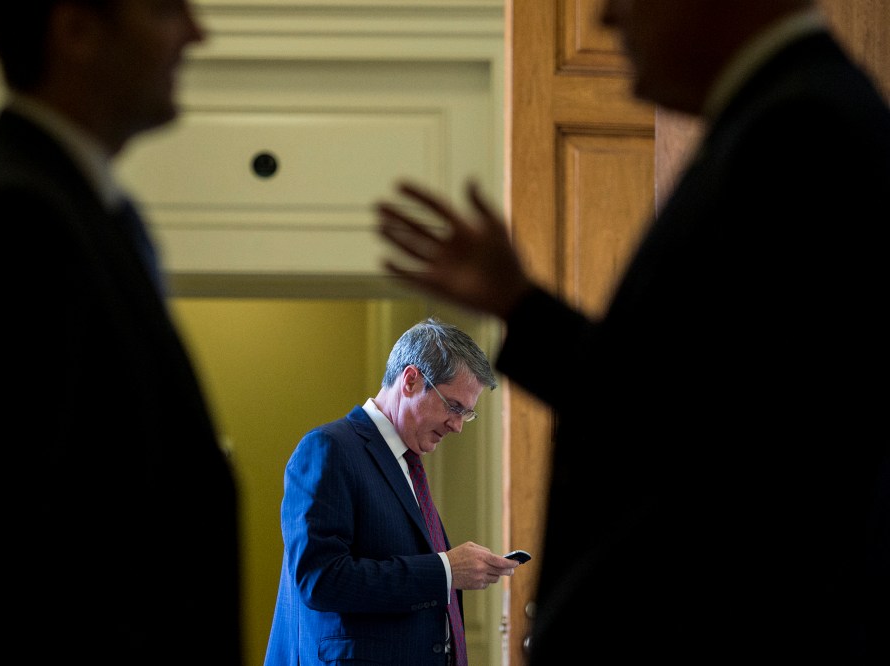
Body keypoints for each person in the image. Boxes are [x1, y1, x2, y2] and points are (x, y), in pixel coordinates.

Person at [376, 0, 890, 662]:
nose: (609, 19)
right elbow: (677, 395)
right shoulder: (781, 122)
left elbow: (727, 442)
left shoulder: (802, 134)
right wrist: (520, 304)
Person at [0, 1, 241, 662]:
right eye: (166, 10)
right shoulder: (14, 219)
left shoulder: (79, 207)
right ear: (77, 29)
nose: (197, 33)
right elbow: (4, 561)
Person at [264, 317, 519, 666]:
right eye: (454, 407)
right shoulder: (328, 449)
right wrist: (444, 571)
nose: (458, 426)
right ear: (411, 380)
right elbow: (319, 579)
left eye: (467, 414)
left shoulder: (407, 463)